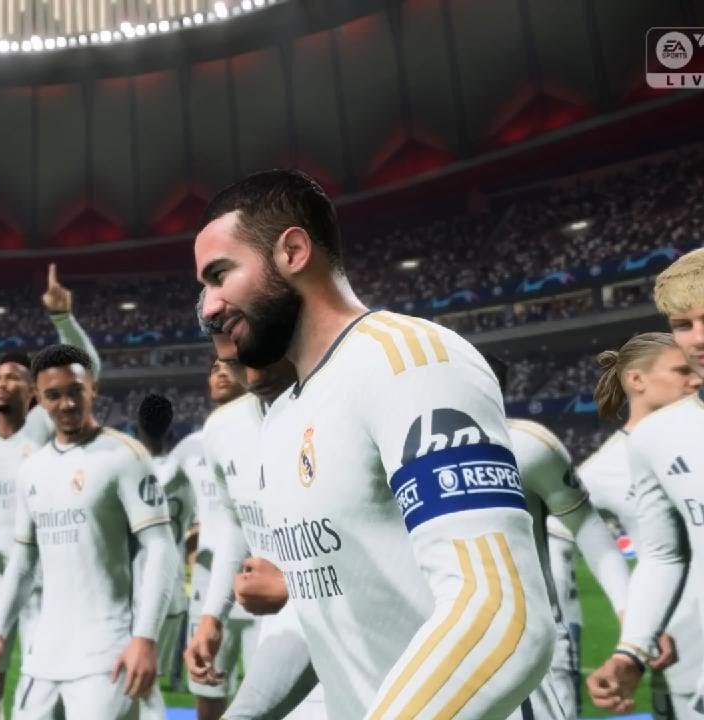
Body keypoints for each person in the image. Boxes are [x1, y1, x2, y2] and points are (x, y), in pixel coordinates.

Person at [195, 169, 553, 718]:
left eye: (220, 275)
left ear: (292, 252)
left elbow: (500, 612)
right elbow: (322, 614)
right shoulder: (284, 416)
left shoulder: (410, 362)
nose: (208, 307)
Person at [0, 264, 103, 720]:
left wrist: (62, 319)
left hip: (44, 584)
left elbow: (86, 373)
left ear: (32, 391)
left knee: (47, 687)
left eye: (12, 377)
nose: (2, 383)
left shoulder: (45, 428)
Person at [0, 345, 178, 719]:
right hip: (44, 654)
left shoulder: (125, 456)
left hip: (107, 653)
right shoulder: (32, 469)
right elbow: (23, 562)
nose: (66, 404)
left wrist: (145, 637)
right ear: (38, 399)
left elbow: (160, 548)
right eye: (53, 395)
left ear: (93, 389)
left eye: (75, 391)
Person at [187, 322, 325, 720]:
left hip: (350, 632)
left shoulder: (332, 409)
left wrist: (292, 587)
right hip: (282, 629)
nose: (253, 374)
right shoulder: (221, 429)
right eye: (233, 363)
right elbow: (238, 522)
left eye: (259, 355)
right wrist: (212, 616)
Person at [588, 248, 704, 713]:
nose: (698, 338)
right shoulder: (656, 437)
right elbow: (662, 554)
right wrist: (631, 651)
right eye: (683, 325)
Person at [486, 357, 634, 719]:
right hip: (442, 647)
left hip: (537, 648)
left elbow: (588, 527)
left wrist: (632, 622)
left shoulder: (527, 446)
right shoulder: (402, 453)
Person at [172, 353, 253, 720]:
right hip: (208, 583)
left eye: (227, 366)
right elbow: (156, 492)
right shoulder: (193, 445)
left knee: (270, 698)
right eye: (213, 368)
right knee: (207, 690)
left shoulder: (270, 429)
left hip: (259, 582)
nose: (220, 372)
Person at [132, 393, 194, 699]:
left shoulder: (132, 472)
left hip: (137, 590)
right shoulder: (186, 477)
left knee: (135, 687)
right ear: (171, 430)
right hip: (174, 589)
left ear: (136, 430)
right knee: (151, 684)